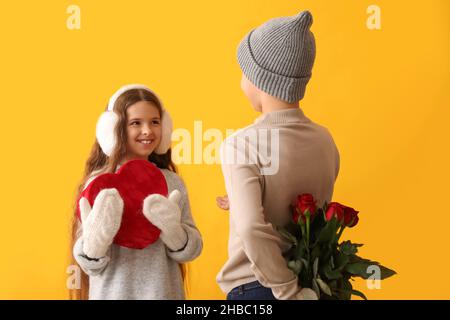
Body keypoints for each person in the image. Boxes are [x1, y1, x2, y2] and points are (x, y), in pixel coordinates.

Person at [216, 11, 340, 300]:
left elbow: (250, 228)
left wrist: (288, 291)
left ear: (258, 78)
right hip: (313, 283)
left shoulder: (241, 144)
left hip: (260, 288)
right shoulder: (325, 141)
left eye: (243, 70)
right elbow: (302, 204)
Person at [70, 84, 203, 299]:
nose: (147, 131)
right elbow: (88, 263)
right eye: (135, 123)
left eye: (155, 122)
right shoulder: (96, 184)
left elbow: (193, 249)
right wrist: (95, 241)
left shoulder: (172, 182)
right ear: (113, 129)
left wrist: (174, 232)